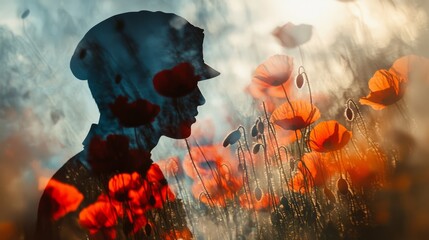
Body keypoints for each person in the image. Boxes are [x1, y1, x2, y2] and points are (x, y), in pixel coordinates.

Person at [36, 10, 219, 239]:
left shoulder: (151, 178)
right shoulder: (74, 191)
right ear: (137, 89)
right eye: (186, 84)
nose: (200, 99)